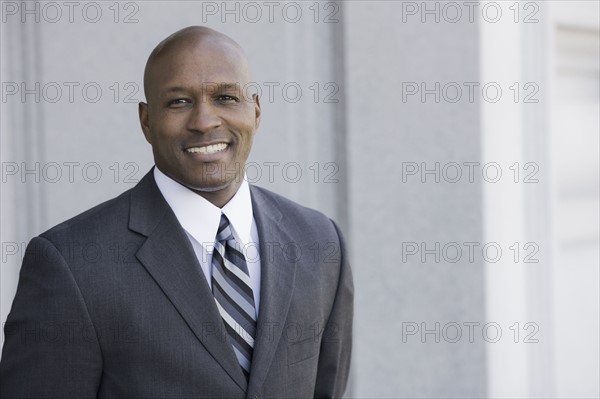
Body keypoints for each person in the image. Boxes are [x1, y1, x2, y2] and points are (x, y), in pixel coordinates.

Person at [0, 26, 353, 398]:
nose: (204, 121)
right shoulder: (70, 263)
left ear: (256, 110)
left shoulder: (320, 243)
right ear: (146, 121)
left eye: (226, 97)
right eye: (179, 102)